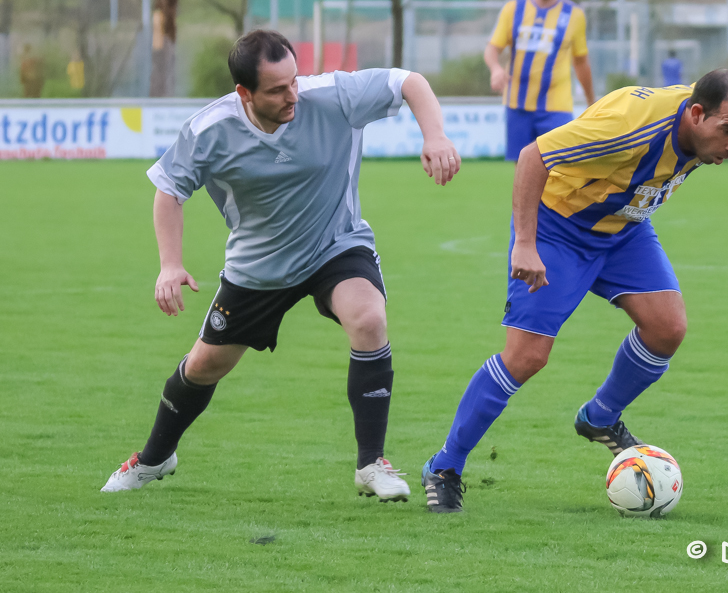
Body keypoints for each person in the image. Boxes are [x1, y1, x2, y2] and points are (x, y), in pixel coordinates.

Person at [102, 30, 462, 502]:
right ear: (244, 93)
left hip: (336, 245)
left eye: (293, 81)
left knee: (369, 318)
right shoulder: (211, 129)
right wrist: (170, 265)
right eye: (276, 89)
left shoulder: (330, 96)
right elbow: (169, 189)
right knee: (204, 366)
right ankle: (153, 458)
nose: (292, 94)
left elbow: (410, 81)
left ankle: (371, 462)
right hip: (260, 265)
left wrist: (434, 135)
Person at [420, 69, 728, 512]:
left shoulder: (704, 119)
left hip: (624, 228)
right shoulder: (629, 127)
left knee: (667, 328)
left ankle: (599, 418)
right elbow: (533, 157)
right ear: (696, 114)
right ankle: (444, 466)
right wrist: (525, 243)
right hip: (559, 230)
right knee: (526, 356)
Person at [485, 0, 595, 162]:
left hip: (556, 108)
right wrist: (496, 69)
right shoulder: (513, 9)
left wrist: (591, 101)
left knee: (559, 169)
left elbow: (581, 61)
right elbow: (492, 48)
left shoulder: (574, 14)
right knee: (524, 170)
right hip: (517, 105)